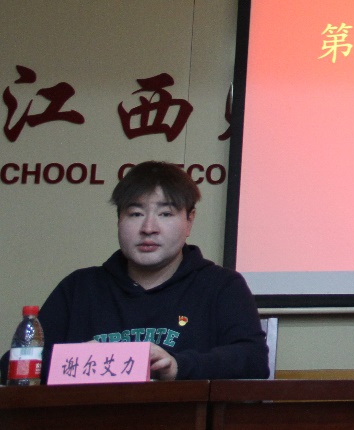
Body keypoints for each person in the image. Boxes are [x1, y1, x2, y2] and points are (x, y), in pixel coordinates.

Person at [35, 161, 269, 380]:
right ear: (118, 219)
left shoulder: (221, 286)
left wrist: (178, 366)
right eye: (135, 214)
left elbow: (254, 360)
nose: (148, 228)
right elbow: (23, 364)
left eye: (165, 214)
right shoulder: (79, 288)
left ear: (189, 221)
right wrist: (79, 359)